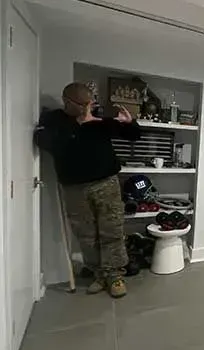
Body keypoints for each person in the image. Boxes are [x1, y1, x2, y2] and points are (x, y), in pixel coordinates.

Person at [35, 82, 141, 298]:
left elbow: (133, 136)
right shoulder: (54, 121)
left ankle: (115, 275)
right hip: (74, 188)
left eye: (90, 104)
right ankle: (98, 274)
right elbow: (43, 140)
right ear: (67, 102)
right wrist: (79, 125)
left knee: (112, 230)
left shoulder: (99, 121)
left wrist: (130, 123)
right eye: (83, 105)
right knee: (86, 234)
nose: (87, 109)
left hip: (106, 183)